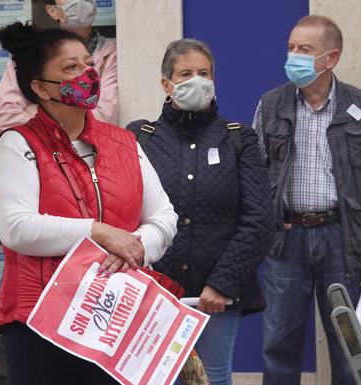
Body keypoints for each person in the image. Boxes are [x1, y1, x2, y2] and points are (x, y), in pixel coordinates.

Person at [0, 22, 177, 385]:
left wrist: (132, 248)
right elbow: (18, 228)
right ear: (40, 87)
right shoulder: (17, 144)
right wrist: (100, 233)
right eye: (70, 68)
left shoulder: (124, 142)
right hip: (41, 320)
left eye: (89, 64)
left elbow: (164, 218)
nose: (87, 74)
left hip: (118, 314)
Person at [252, 15, 361, 385]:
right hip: (287, 241)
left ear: (330, 58)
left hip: (342, 241)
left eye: (305, 50)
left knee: (350, 348)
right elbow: (252, 174)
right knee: (279, 345)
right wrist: (267, 221)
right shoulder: (271, 106)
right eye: (290, 48)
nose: (293, 57)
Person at [127, 39, 275, 385]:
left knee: (211, 378)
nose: (196, 80)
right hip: (156, 289)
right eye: (185, 73)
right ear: (166, 83)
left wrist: (222, 284)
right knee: (155, 378)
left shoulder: (238, 138)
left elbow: (259, 221)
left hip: (216, 295)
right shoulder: (140, 138)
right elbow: (125, 213)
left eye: (203, 73)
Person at [0, 0, 118, 136]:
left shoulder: (112, 52)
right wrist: (72, 119)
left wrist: (35, 110)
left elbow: (105, 119)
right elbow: (5, 122)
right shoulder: (30, 52)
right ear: (52, 10)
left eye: (90, 64)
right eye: (71, 66)